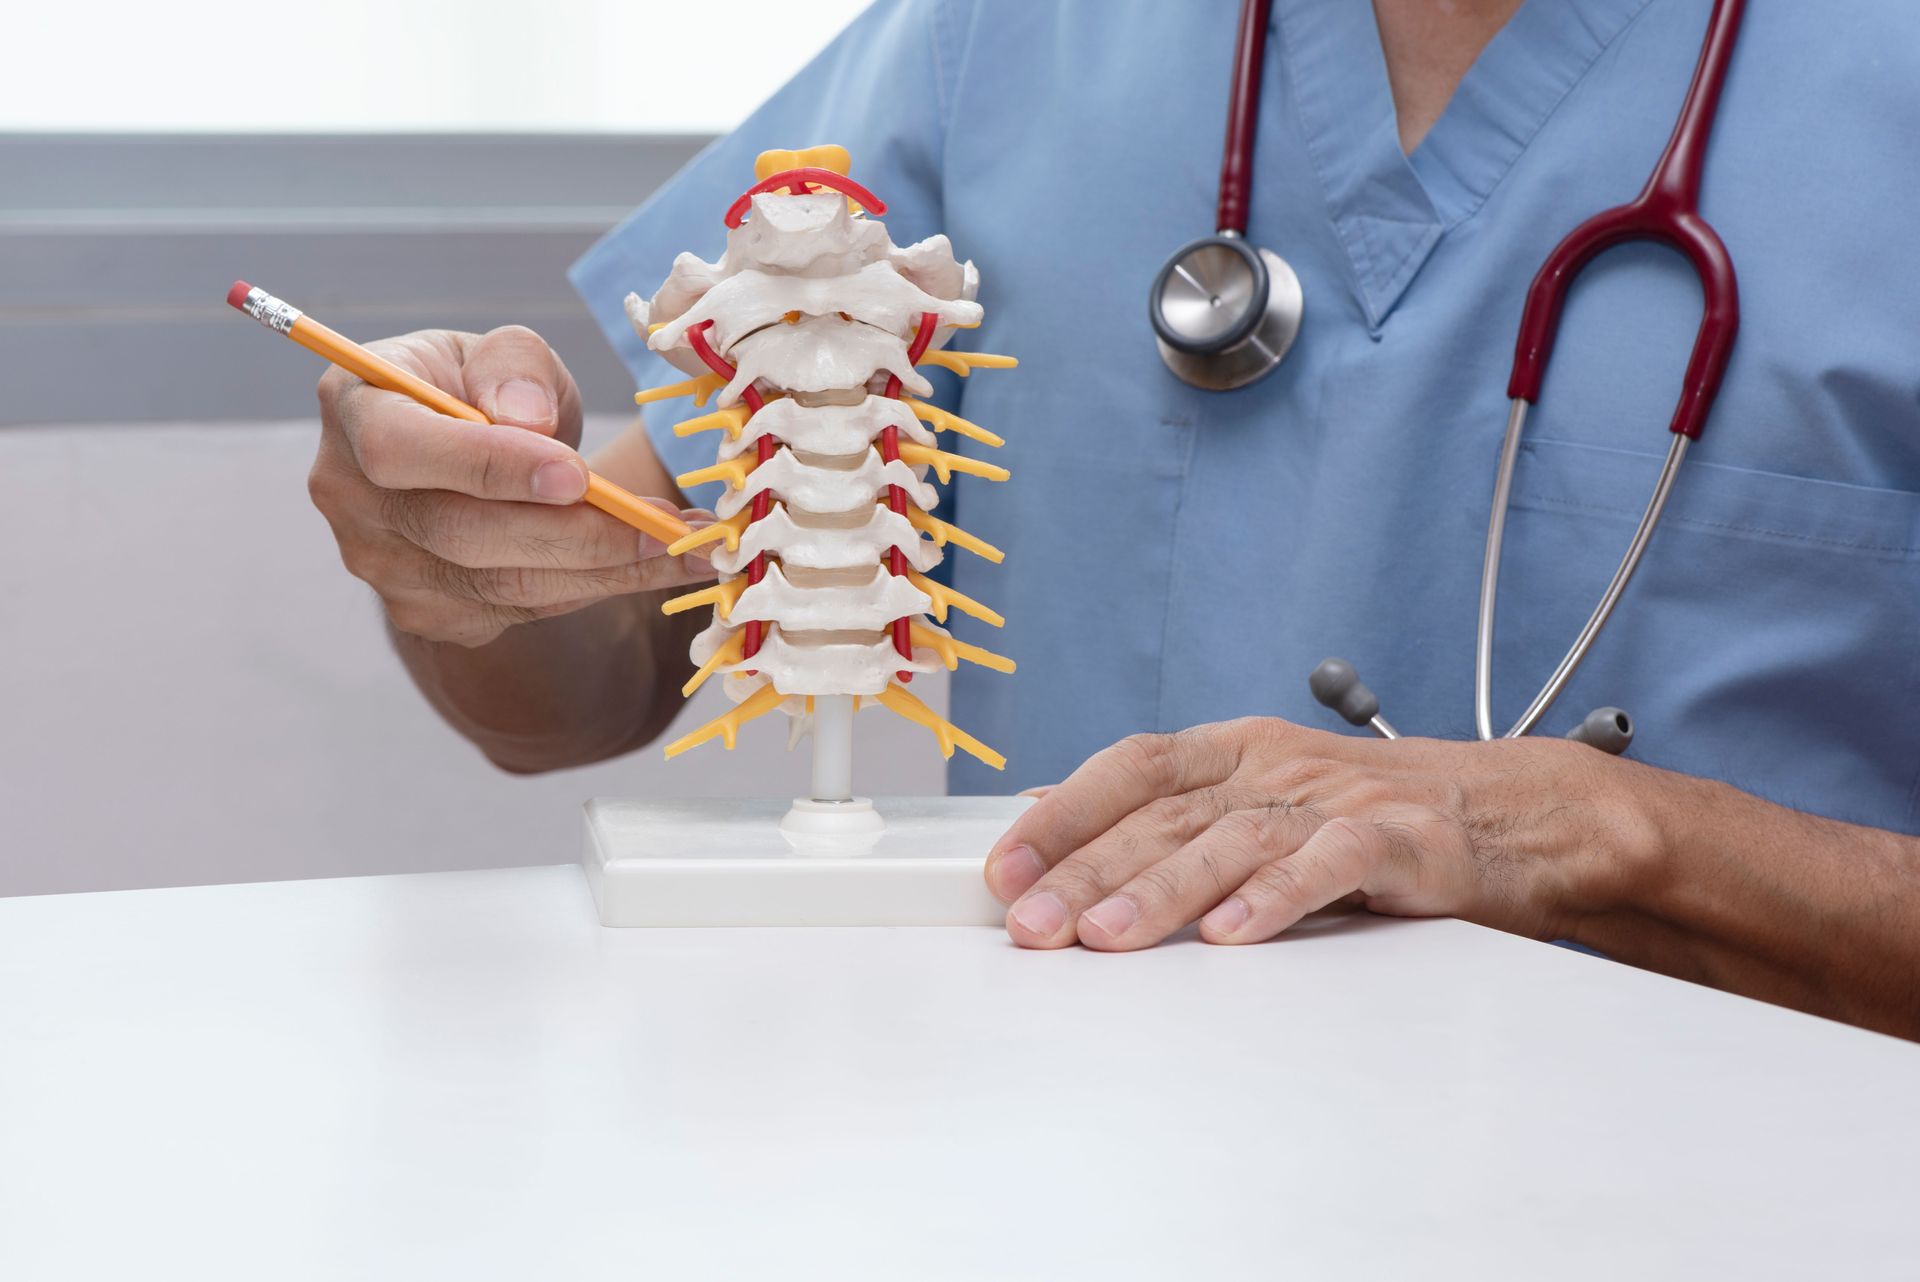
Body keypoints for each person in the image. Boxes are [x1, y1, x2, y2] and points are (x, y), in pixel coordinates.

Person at [310, 0, 1920, 1039]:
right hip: (1064, 1183)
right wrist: (461, 531)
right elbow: (581, 683)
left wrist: (1647, 842)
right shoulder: (1016, 41)